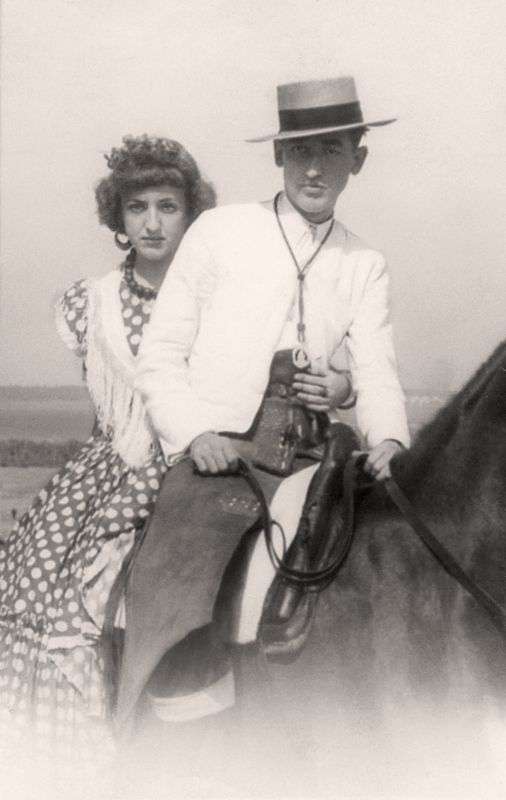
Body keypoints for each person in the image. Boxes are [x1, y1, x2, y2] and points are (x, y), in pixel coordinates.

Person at [113, 77, 410, 732]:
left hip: (311, 453)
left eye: (331, 150)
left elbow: (377, 371)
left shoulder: (364, 262)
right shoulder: (221, 231)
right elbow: (158, 359)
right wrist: (196, 435)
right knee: (182, 573)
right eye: (299, 149)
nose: (313, 167)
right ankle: (164, 728)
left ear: (357, 158)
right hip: (219, 452)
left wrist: (379, 429)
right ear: (279, 156)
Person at [0, 135, 216, 766]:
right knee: (39, 577)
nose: (152, 222)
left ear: (190, 212)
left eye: (167, 206)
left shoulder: (211, 297)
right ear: (117, 217)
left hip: (187, 456)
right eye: (137, 206)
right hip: (106, 464)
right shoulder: (88, 303)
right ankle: (62, 754)